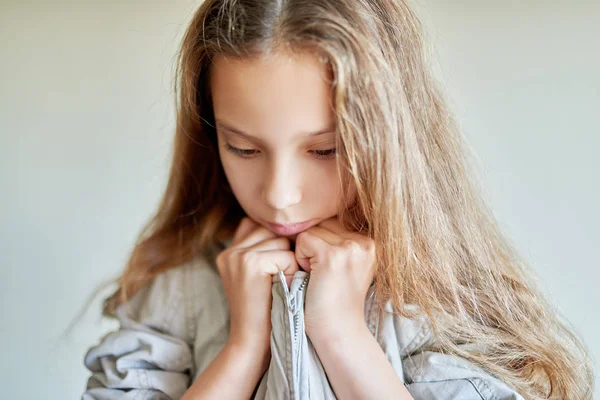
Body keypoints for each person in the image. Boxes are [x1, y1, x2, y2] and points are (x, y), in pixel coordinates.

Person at [81, 0, 594, 399]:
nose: (280, 196)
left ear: (391, 137)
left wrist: (343, 337)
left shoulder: (445, 296)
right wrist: (241, 351)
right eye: (243, 147)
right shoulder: (175, 288)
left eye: (326, 149)